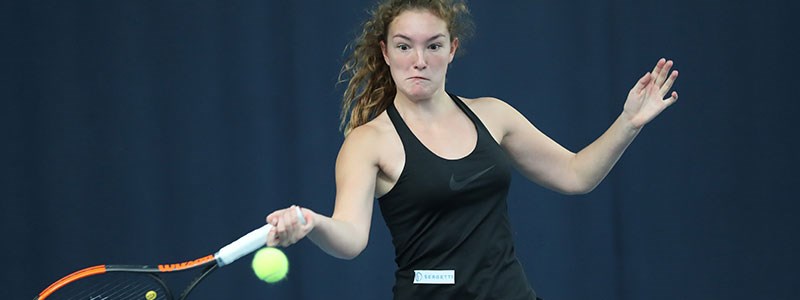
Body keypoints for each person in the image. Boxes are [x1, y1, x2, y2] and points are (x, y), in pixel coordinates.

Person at [265, 0, 679, 299]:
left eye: (433, 45)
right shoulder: (368, 141)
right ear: (386, 52)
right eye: (405, 46)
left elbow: (576, 175)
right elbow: (351, 237)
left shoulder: (494, 115)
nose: (419, 60)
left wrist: (628, 123)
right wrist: (311, 224)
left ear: (452, 49)